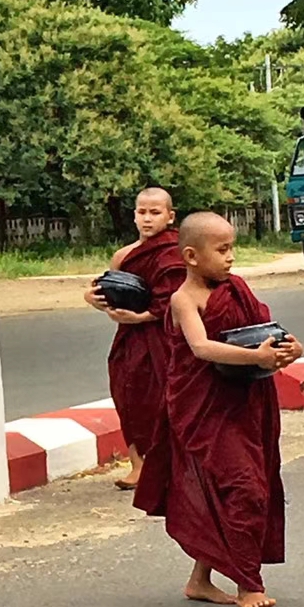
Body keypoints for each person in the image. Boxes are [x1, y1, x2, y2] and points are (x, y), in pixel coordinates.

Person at [134, 211, 304, 607]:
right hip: (204, 404)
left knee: (228, 487)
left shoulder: (238, 289)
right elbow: (201, 348)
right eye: (223, 250)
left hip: (245, 401)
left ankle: (199, 580)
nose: (231, 258)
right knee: (243, 487)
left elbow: (267, 332)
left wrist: (290, 349)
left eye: (232, 249)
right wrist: (254, 356)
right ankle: (249, 584)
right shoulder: (183, 299)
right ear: (191, 256)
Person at [84, 188, 187, 491]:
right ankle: (138, 465)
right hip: (130, 338)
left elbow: (179, 297)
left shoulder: (178, 251)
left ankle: (174, 465)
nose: (147, 218)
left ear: (170, 216)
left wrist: (144, 317)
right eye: (142, 212)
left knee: (166, 398)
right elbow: (109, 290)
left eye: (155, 212)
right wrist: (92, 298)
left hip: (166, 335)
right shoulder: (124, 255)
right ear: (134, 215)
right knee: (128, 395)